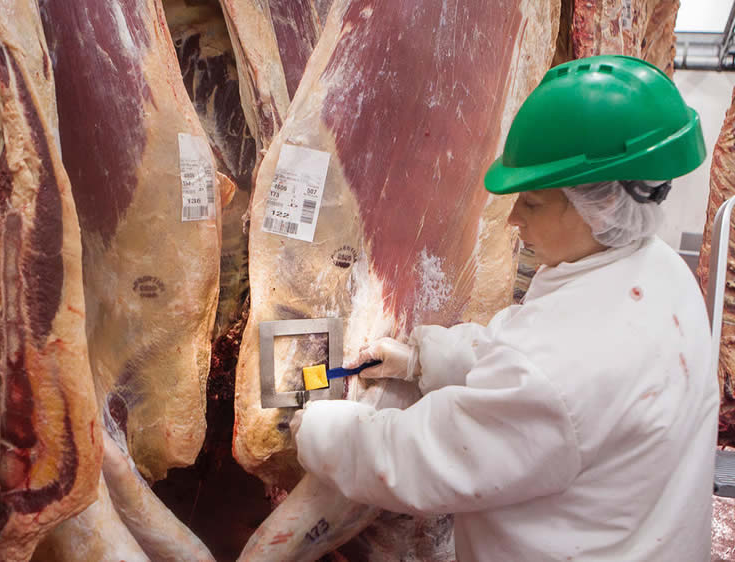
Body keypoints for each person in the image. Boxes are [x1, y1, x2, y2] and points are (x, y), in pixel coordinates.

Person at [290, 55, 718, 561]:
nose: (513, 218)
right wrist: (425, 358)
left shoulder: (559, 371)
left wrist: (317, 430)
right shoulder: (662, 272)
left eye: (533, 203)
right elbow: (539, 363)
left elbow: (426, 457)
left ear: (598, 205)